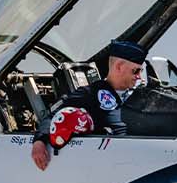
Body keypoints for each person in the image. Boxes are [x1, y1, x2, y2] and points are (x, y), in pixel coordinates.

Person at [30, 38, 146, 171]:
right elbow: (53, 117)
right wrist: (39, 141)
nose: (140, 77)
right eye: (136, 71)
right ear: (119, 66)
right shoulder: (91, 93)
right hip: (117, 163)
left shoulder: (139, 95)